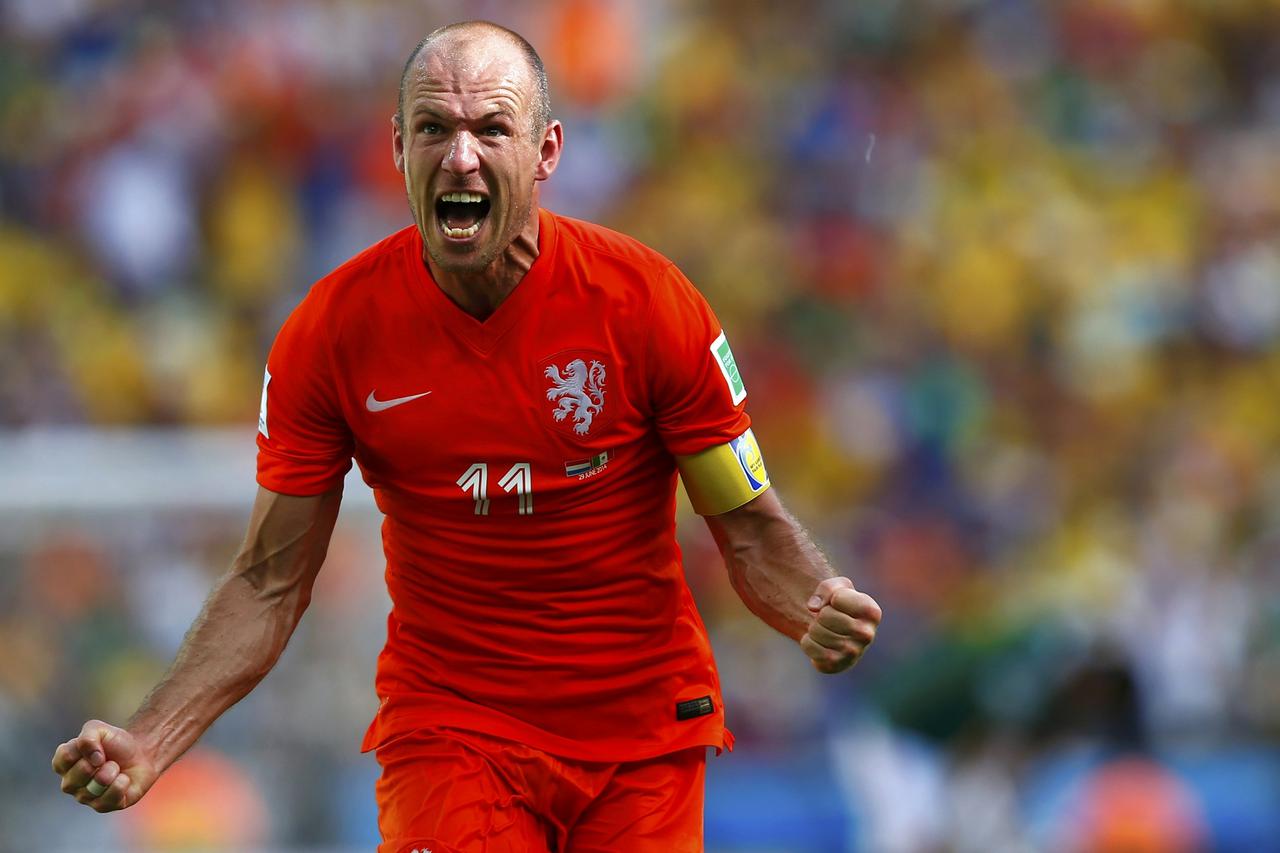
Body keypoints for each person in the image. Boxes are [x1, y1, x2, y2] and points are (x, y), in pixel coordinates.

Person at [51, 20, 882, 852]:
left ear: (547, 149)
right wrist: (152, 738)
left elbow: (748, 528)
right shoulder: (332, 333)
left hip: (642, 733)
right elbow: (269, 581)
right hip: (452, 729)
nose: (460, 156)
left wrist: (814, 602)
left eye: (491, 128)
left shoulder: (649, 306)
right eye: (434, 128)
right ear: (398, 147)